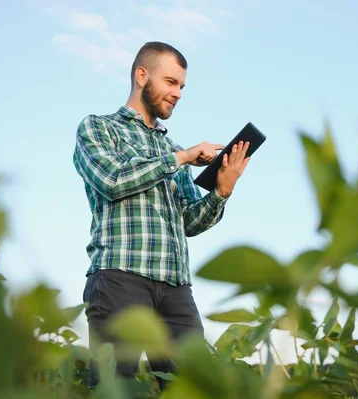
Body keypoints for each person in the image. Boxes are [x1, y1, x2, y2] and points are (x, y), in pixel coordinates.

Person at [72, 41, 250, 390]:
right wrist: (181, 158)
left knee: (194, 388)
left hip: (175, 287)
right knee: (112, 388)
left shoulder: (171, 147)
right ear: (142, 76)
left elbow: (189, 222)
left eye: (181, 86)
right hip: (120, 277)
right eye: (170, 82)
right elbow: (112, 180)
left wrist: (222, 190)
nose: (178, 93)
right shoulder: (98, 128)